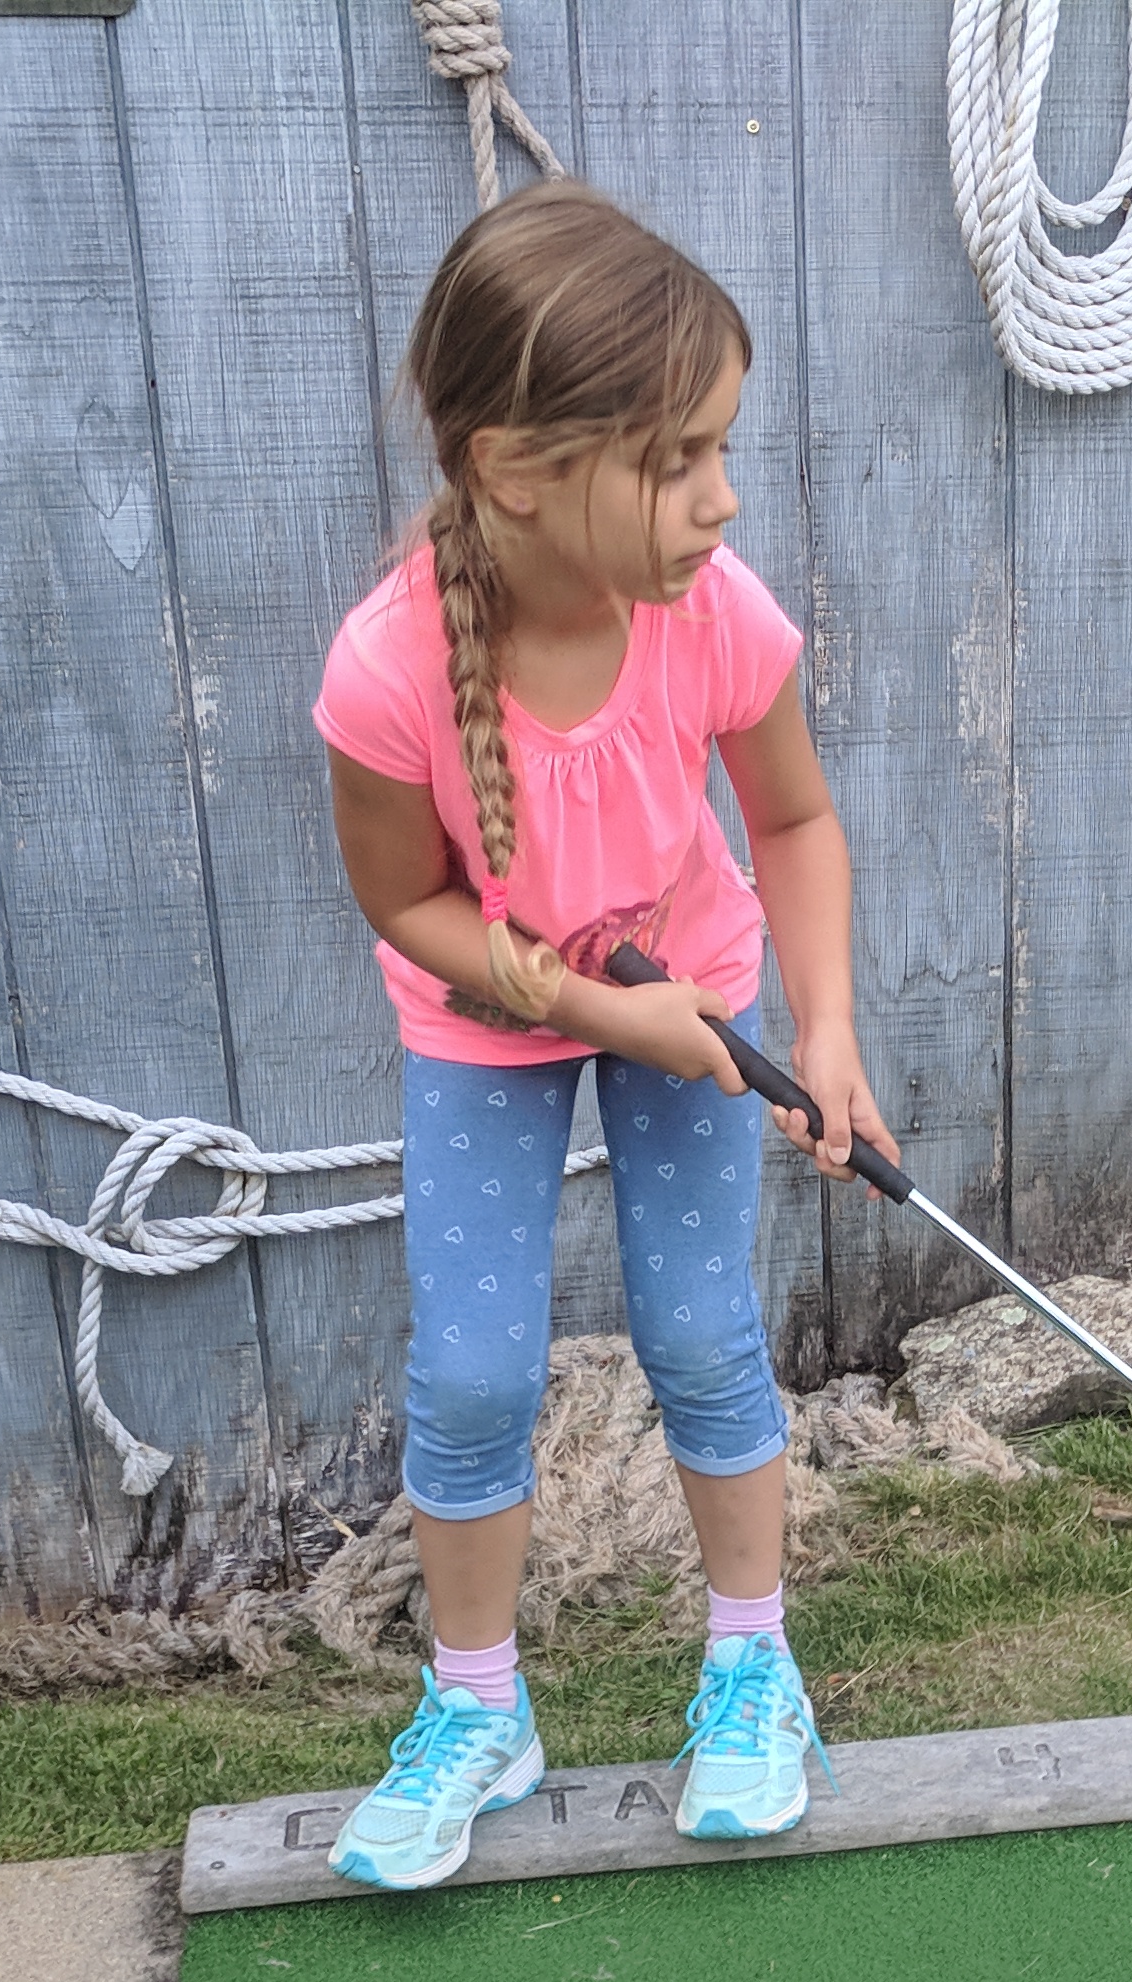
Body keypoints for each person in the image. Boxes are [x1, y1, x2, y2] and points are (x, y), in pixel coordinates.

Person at [313, 184, 892, 1892]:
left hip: (691, 982)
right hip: (489, 1021)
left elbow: (793, 822)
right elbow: (404, 904)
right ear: (516, 471)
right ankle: (477, 1707)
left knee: (703, 1334)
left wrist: (828, 1033)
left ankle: (754, 1671)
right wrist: (588, 1009)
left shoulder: (711, 610)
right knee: (475, 1373)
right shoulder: (389, 668)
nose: (722, 497)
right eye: (675, 460)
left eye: (722, 449)